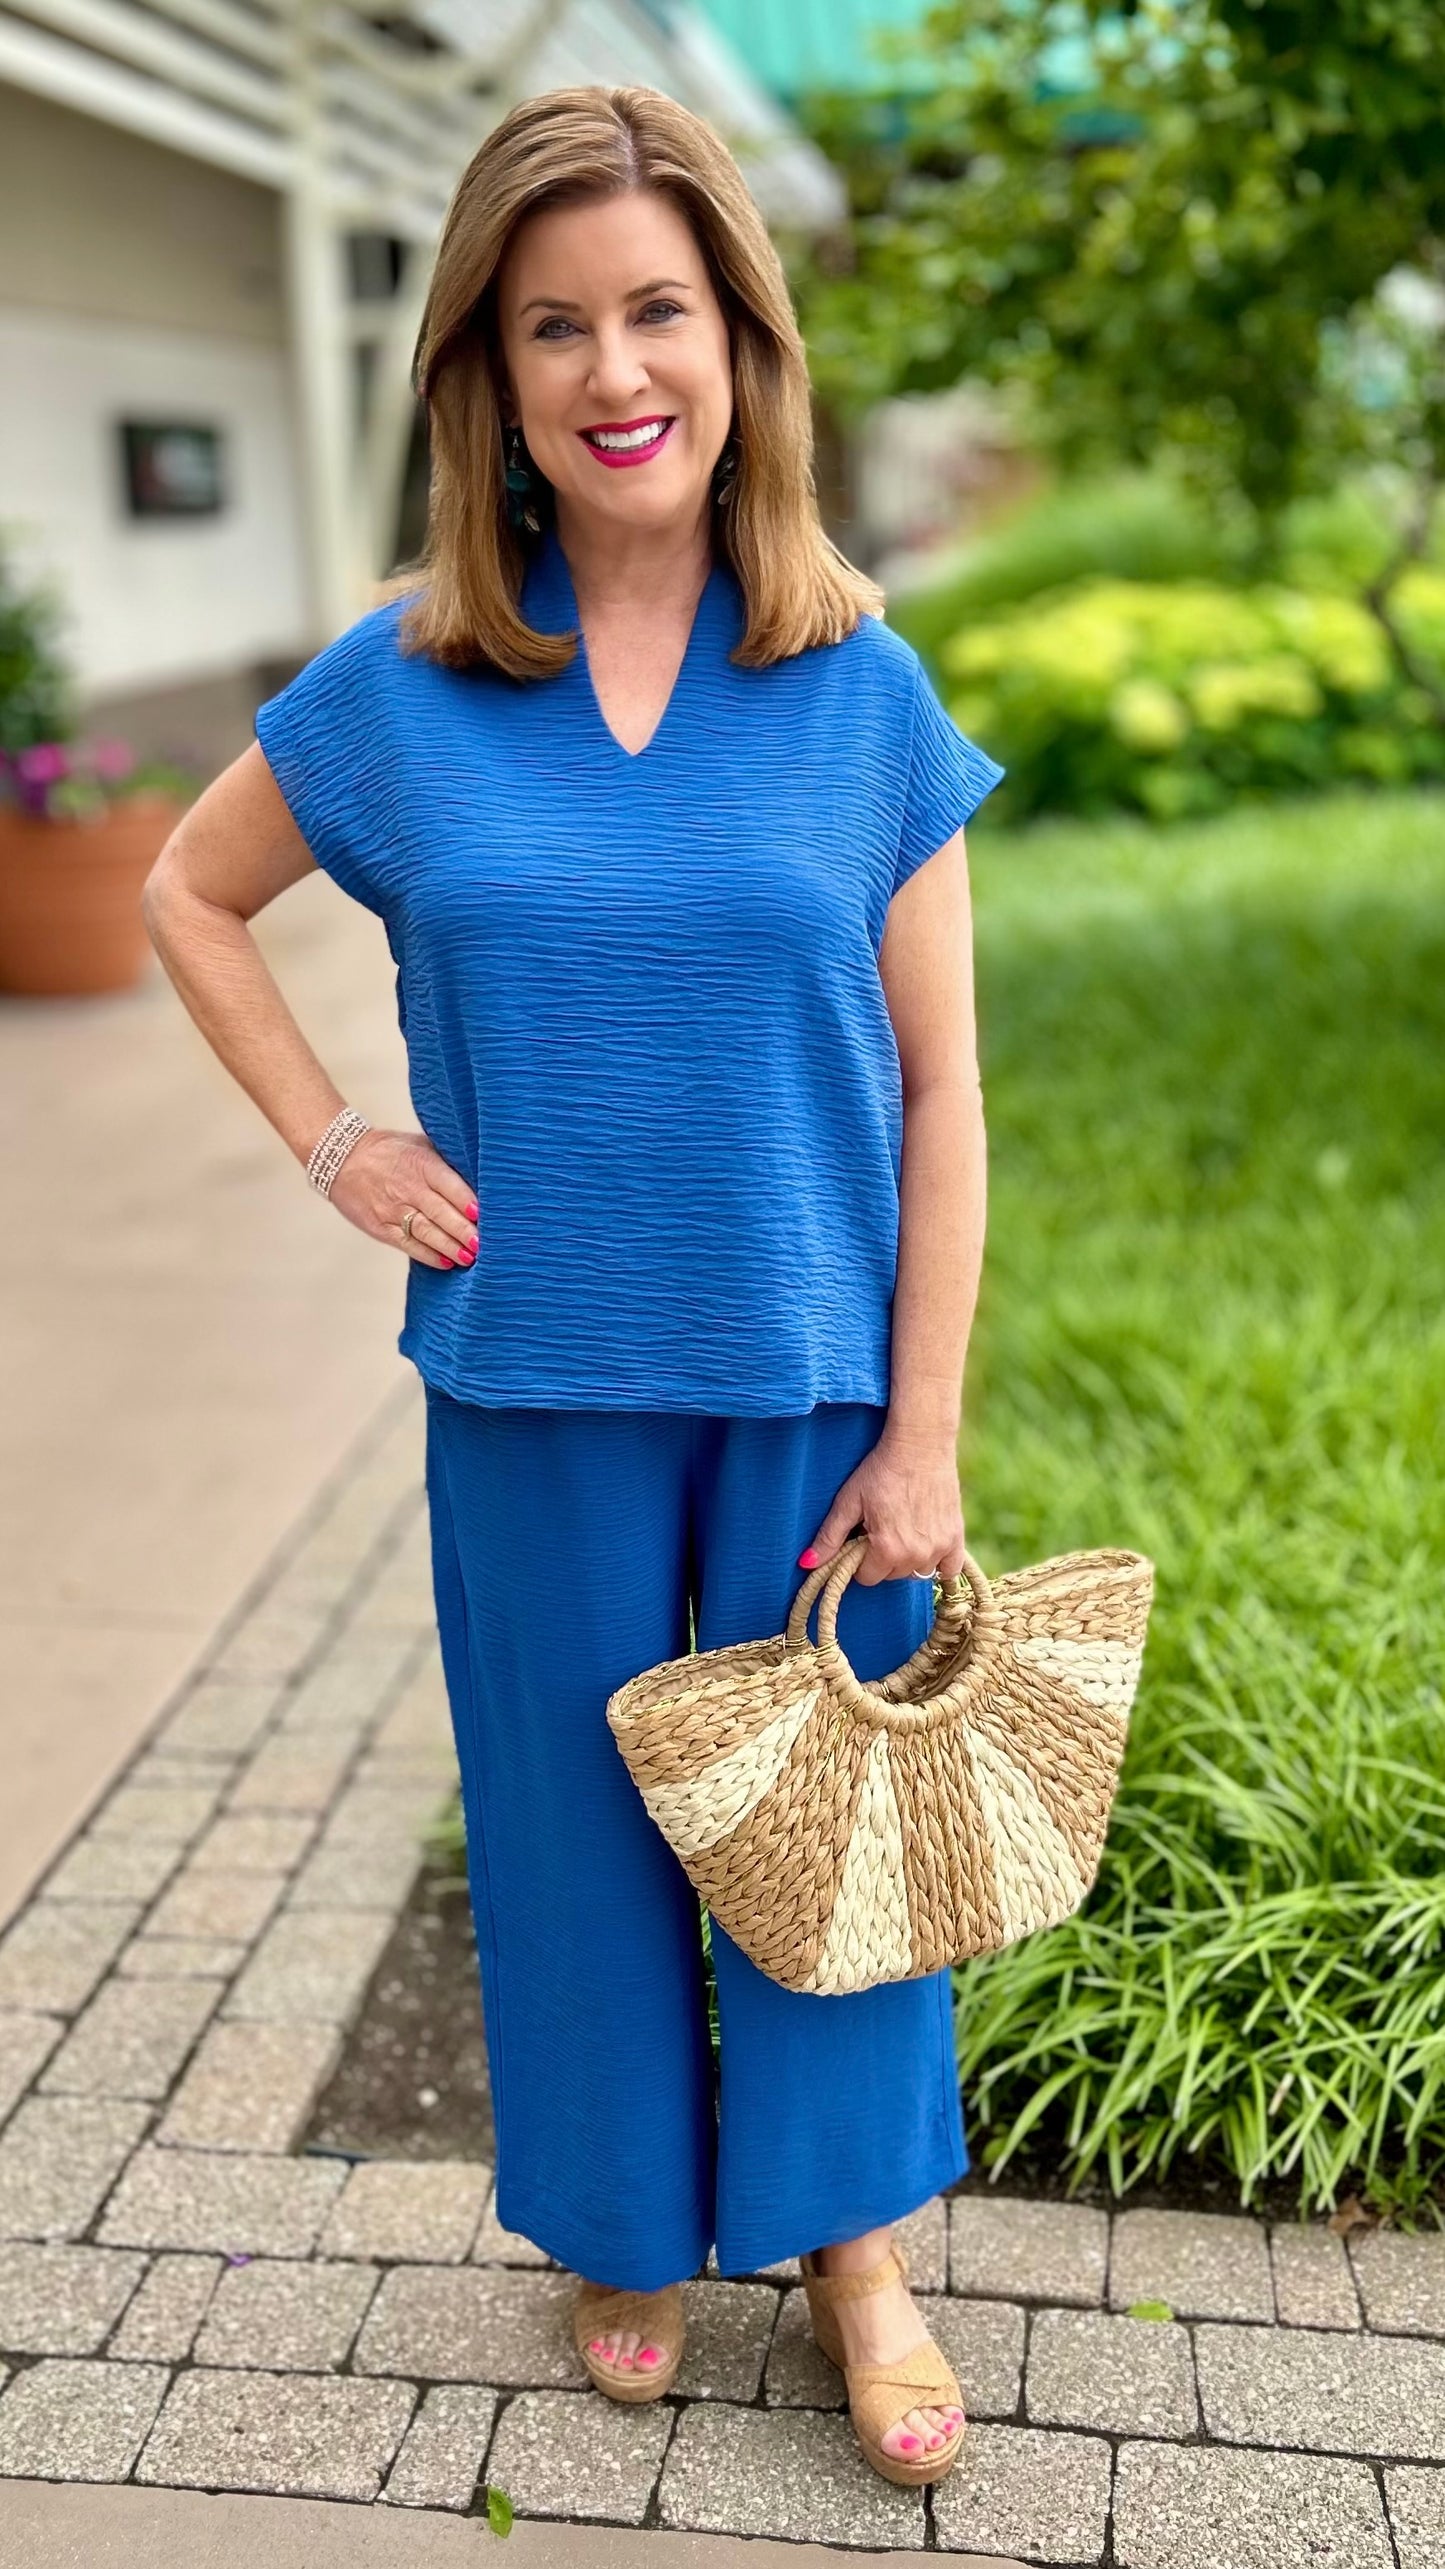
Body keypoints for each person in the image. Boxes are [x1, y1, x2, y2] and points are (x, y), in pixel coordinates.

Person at [142, 83, 1004, 2487]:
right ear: (487, 378)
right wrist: (337, 1137)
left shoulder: (856, 688)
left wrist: (924, 1429)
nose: (616, 367)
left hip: (810, 1390)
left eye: (658, 308)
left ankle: (855, 2251)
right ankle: (624, 2224)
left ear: (739, 337)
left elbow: (945, 1099)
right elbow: (187, 899)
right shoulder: (410, 685)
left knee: (823, 1827)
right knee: (570, 1819)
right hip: (530, 1380)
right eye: (555, 325)